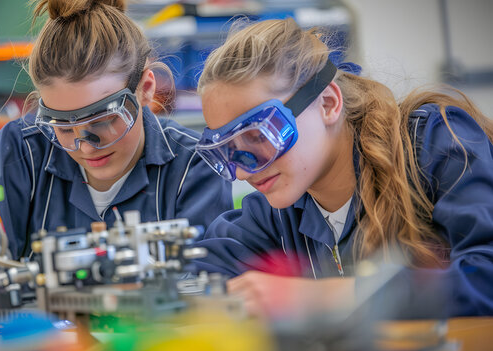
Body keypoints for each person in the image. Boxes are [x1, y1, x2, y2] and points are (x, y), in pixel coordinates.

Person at [193, 18, 493, 319]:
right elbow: (200, 277)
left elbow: (485, 277)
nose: (244, 172)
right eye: (227, 152)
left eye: (259, 135)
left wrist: (317, 298)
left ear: (327, 103)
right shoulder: (277, 212)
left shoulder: (436, 143)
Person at [0, 0, 232, 258]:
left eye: (102, 119)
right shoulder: (21, 150)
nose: (84, 146)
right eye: (62, 126)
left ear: (145, 89)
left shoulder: (196, 167)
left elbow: (205, 284)